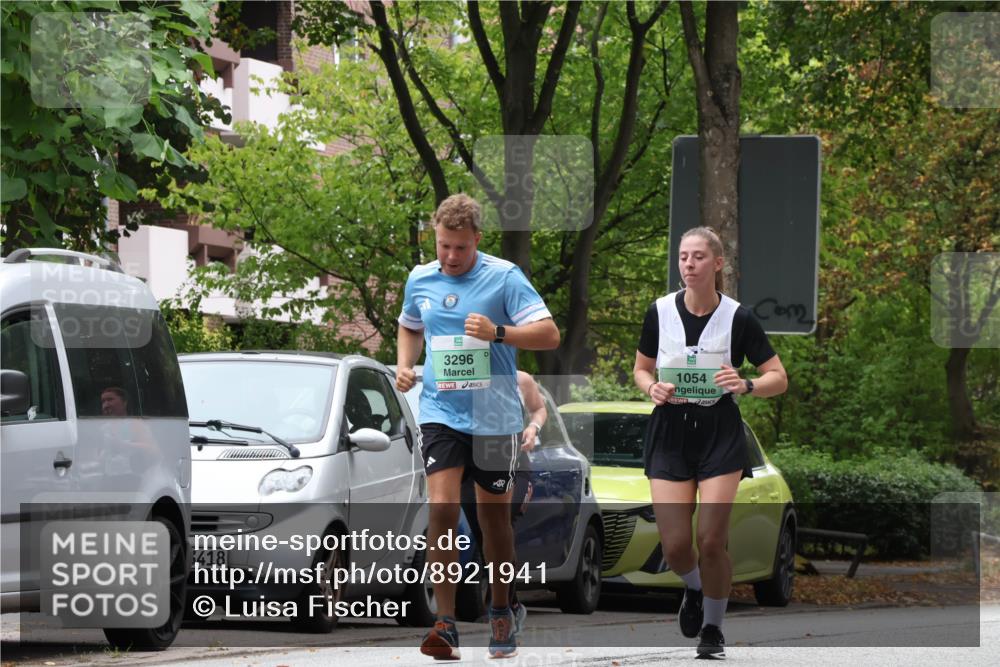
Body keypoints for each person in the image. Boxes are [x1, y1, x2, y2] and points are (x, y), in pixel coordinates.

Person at [396, 194, 560, 660]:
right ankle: (445, 624)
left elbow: (550, 334)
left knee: (494, 521)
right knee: (443, 508)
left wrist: (499, 332)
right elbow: (410, 326)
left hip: (495, 417)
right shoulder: (420, 278)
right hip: (441, 412)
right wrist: (406, 365)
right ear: (436, 237)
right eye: (444, 246)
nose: (450, 257)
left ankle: (503, 609)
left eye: (461, 248)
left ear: (477, 242)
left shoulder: (504, 277)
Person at [633, 227, 788, 660]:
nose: (688, 264)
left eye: (698, 257)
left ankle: (713, 631)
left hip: (719, 432)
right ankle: (697, 590)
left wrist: (747, 384)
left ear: (717, 264)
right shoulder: (659, 312)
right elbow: (642, 369)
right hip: (670, 432)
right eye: (683, 256)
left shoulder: (739, 318)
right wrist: (651, 389)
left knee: (712, 538)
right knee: (677, 545)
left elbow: (779, 377)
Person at [459, 370, 546, 619]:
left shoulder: (521, 379)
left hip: (516, 466)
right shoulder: (461, 377)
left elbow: (539, 409)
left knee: (500, 522)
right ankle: (512, 602)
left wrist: (533, 427)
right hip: (474, 465)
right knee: (483, 531)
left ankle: (502, 606)